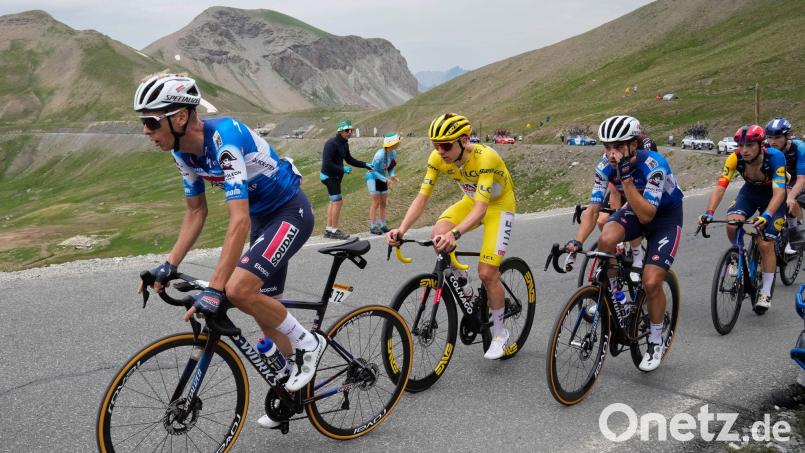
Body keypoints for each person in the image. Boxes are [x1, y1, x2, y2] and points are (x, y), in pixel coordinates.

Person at [132, 74, 327, 428]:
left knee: (237, 290)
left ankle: (309, 344)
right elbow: (195, 212)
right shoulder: (182, 153)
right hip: (263, 221)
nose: (145, 131)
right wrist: (167, 265)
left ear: (179, 118)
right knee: (267, 318)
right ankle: (293, 389)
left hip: (289, 212)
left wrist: (215, 288)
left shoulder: (224, 139)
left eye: (150, 121)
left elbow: (236, 222)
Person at [386, 113, 516, 359]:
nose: (440, 151)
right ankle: (462, 282)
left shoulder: (485, 157)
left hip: (498, 207)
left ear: (464, 140)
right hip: (471, 201)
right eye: (435, 145)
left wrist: (456, 233)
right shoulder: (437, 158)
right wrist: (401, 229)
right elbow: (422, 197)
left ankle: (500, 333)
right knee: (438, 234)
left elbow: (482, 209)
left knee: (488, 273)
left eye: (445, 145)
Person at [565, 115, 684, 371]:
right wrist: (577, 241)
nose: (611, 153)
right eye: (607, 147)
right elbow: (594, 209)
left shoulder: (654, 164)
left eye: (617, 147)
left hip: (664, 217)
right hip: (637, 208)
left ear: (634, 144)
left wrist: (627, 180)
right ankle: (619, 296)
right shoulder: (604, 165)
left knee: (652, 281)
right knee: (606, 237)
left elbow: (647, 216)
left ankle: (654, 338)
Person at [698, 125, 787, 313]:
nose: (744, 150)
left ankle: (765, 291)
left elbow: (779, 192)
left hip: (773, 197)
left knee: (765, 243)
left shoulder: (775, 157)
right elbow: (721, 187)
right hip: (750, 193)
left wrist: (767, 215)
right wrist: (709, 212)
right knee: (732, 223)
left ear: (761, 145)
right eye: (740, 145)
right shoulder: (734, 158)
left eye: (749, 145)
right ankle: (737, 256)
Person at [320, 119, 372, 240]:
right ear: (340, 131)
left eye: (351, 130)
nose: (350, 132)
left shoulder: (344, 143)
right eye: (347, 130)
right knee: (338, 202)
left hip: (336, 176)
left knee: (333, 202)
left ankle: (328, 230)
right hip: (329, 176)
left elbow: (350, 160)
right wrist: (342, 169)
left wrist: (365, 165)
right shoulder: (331, 143)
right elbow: (327, 164)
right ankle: (334, 230)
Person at [765, 117, 805, 252]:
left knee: (788, 197)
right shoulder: (766, 148)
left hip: (799, 178)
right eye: (769, 137)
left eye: (777, 138)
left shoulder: (799, 147)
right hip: (781, 179)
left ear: (787, 136)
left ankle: (794, 230)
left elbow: (801, 179)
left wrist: (791, 197)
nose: (772, 142)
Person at [366, 132, 401, 234]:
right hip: (372, 177)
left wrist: (392, 175)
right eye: (397, 142)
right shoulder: (379, 155)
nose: (399, 144)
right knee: (376, 202)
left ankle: (383, 225)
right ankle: (373, 226)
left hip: (382, 177)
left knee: (383, 203)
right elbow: (372, 170)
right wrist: (386, 180)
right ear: (391, 143)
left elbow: (390, 167)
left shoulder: (393, 153)